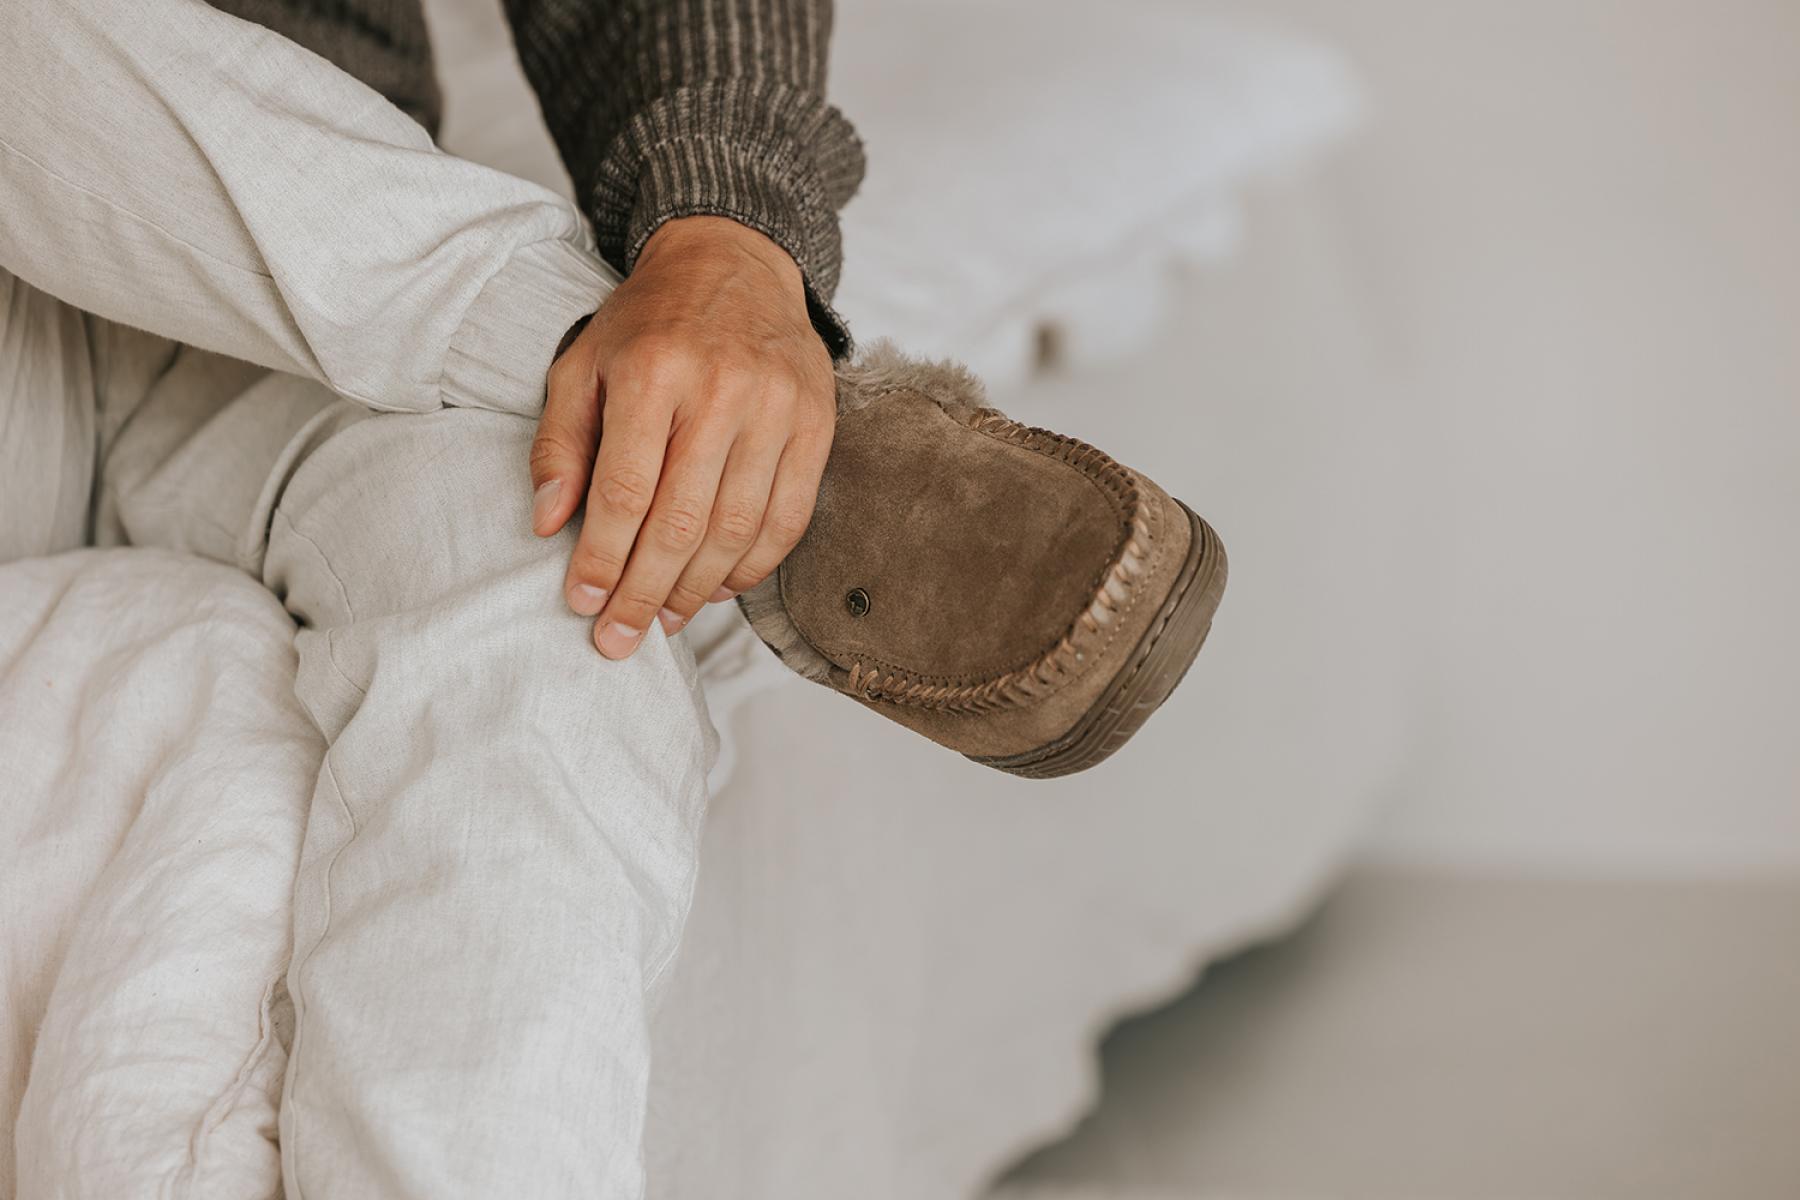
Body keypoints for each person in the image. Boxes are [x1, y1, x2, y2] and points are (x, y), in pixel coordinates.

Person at [0, 0, 859, 1193]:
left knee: (562, 584)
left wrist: (729, 241)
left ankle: (591, 371)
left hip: (273, 325)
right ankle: (567, 344)